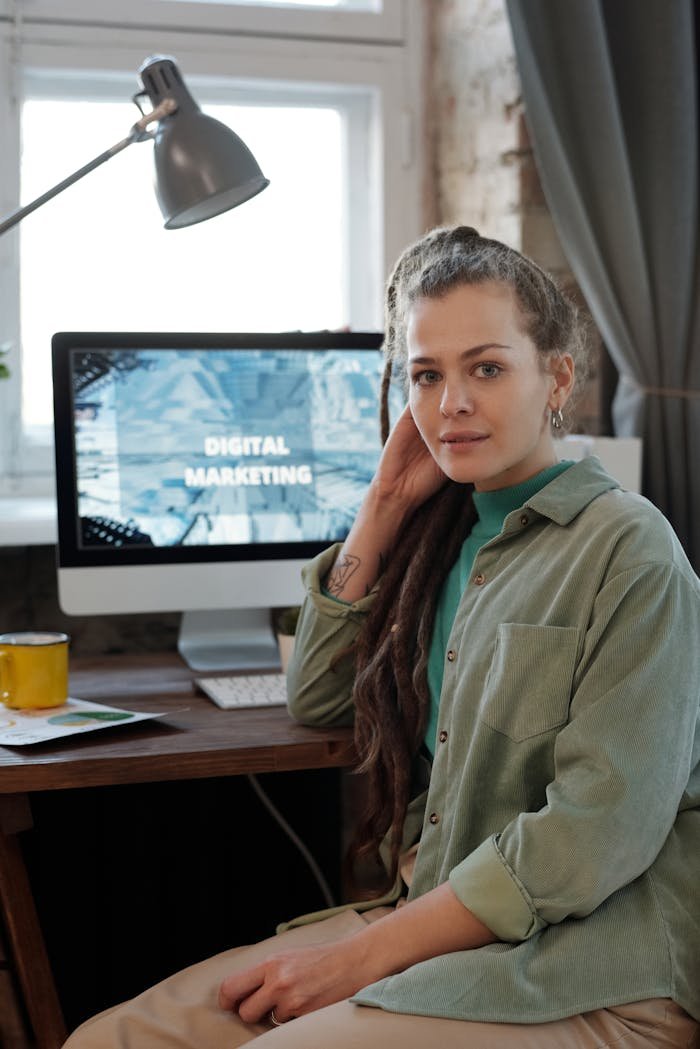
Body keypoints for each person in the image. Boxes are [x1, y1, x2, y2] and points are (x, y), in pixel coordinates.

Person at [63, 226, 700, 1048]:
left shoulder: (629, 548)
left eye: (487, 368)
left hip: (592, 970)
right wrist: (386, 502)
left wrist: (355, 959)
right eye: (427, 376)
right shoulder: (440, 538)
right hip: (427, 929)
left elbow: (592, 836)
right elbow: (321, 696)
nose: (451, 402)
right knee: (107, 1040)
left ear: (558, 378)